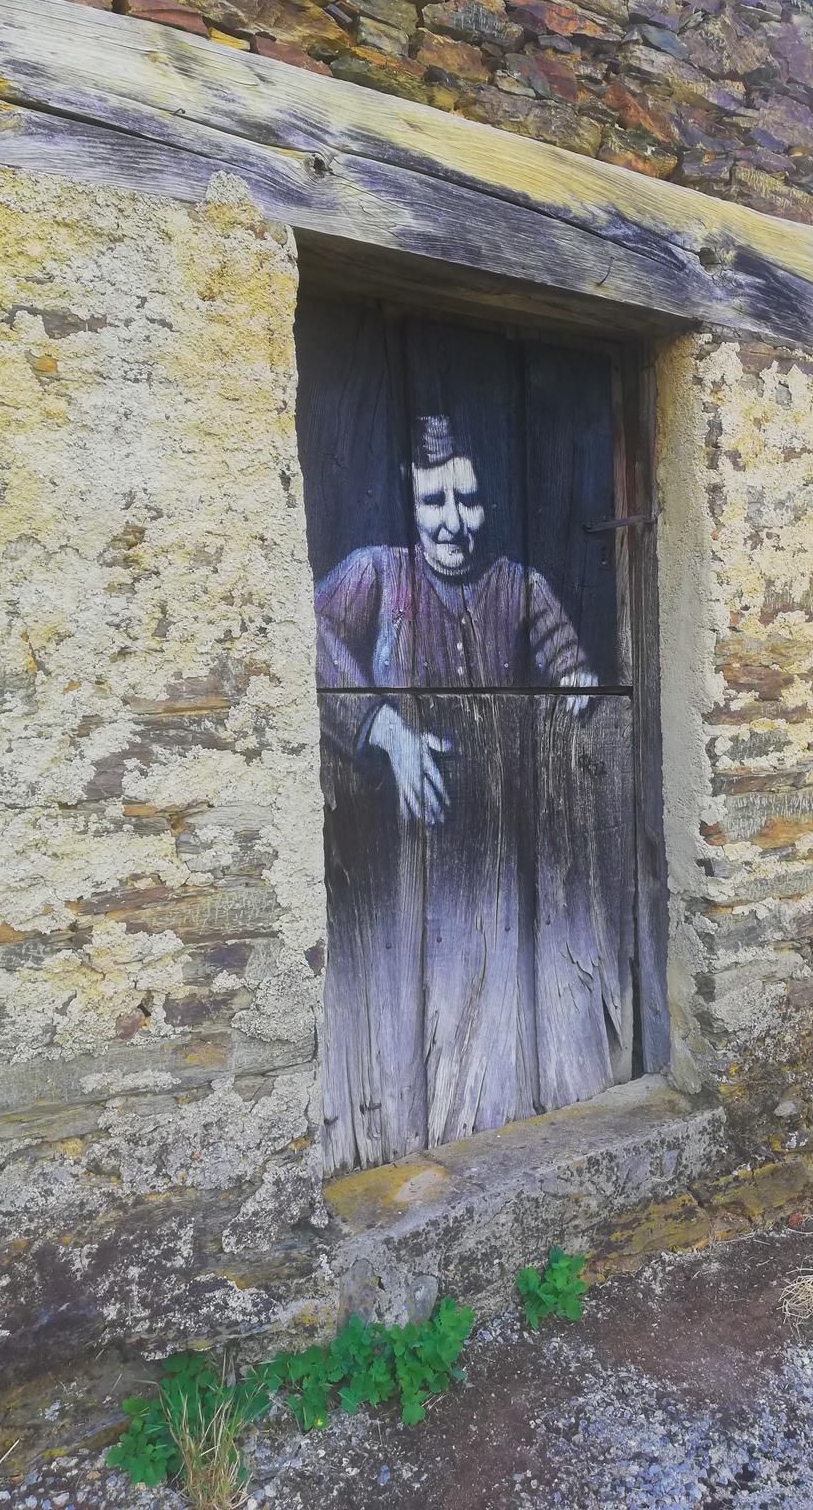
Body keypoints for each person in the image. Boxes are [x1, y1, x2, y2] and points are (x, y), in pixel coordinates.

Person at [313, 416, 609, 1169]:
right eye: (434, 501)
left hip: (499, 856)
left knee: (501, 1019)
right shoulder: (375, 574)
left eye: (468, 501)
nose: (453, 522)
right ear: (410, 505)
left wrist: (578, 684)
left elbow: (570, 663)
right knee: (400, 1033)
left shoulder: (520, 584)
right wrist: (383, 729)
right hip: (389, 866)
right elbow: (304, 631)